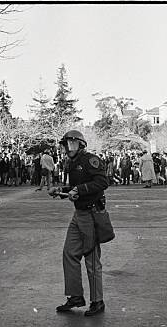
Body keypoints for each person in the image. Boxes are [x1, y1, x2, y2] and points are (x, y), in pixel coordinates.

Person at [51, 130, 109, 316]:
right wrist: (62, 190)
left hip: (91, 213)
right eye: (67, 144)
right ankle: (75, 296)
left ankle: (97, 301)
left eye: (72, 144)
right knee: (69, 253)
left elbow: (102, 182)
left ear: (81, 144)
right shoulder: (72, 162)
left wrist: (79, 190)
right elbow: (77, 188)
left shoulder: (90, 160)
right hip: (79, 213)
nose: (68, 148)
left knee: (92, 259)